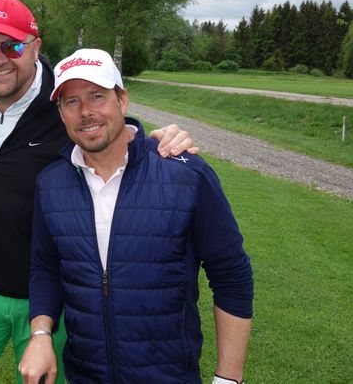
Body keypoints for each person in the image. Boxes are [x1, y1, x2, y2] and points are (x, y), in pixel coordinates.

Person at [0, 0, 198, 384]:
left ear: (36, 46)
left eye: (13, 45)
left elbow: (108, 129)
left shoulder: (65, 99)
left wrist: (162, 139)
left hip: (54, 295)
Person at [19, 48, 254, 384]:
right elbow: (45, 267)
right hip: (86, 375)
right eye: (71, 102)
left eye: (97, 96)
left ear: (123, 100)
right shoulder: (50, 184)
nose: (86, 112)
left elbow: (231, 275)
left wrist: (228, 379)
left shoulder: (186, 174)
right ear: (61, 113)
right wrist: (41, 333)